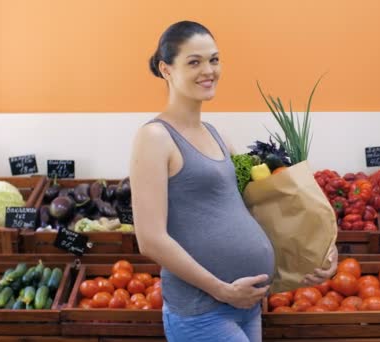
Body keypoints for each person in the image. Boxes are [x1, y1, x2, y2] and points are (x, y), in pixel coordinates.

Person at [130, 20, 338, 342]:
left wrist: (319, 252)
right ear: (166, 69)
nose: (209, 70)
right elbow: (150, 239)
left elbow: (263, 202)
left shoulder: (219, 137)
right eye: (194, 62)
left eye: (214, 60)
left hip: (246, 304)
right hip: (202, 311)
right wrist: (222, 290)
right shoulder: (154, 137)